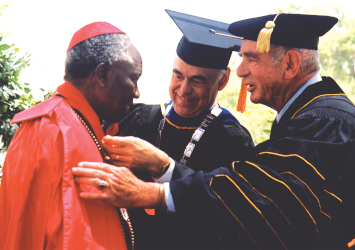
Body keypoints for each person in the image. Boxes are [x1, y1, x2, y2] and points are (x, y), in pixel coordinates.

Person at [72, 12, 355, 249]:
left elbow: (253, 197)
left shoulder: (327, 123)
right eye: (178, 75)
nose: (242, 70)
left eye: (251, 57)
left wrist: (151, 192)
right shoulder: (314, 117)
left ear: (290, 63)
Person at [101, 10, 254, 249]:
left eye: (198, 80)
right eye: (178, 76)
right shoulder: (140, 118)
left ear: (222, 81)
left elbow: (227, 209)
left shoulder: (232, 139)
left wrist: (163, 167)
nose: (184, 90)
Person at [0, 22, 142, 249]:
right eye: (134, 78)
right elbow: (28, 233)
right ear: (102, 75)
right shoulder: (48, 129)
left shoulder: (82, 124)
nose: (136, 92)